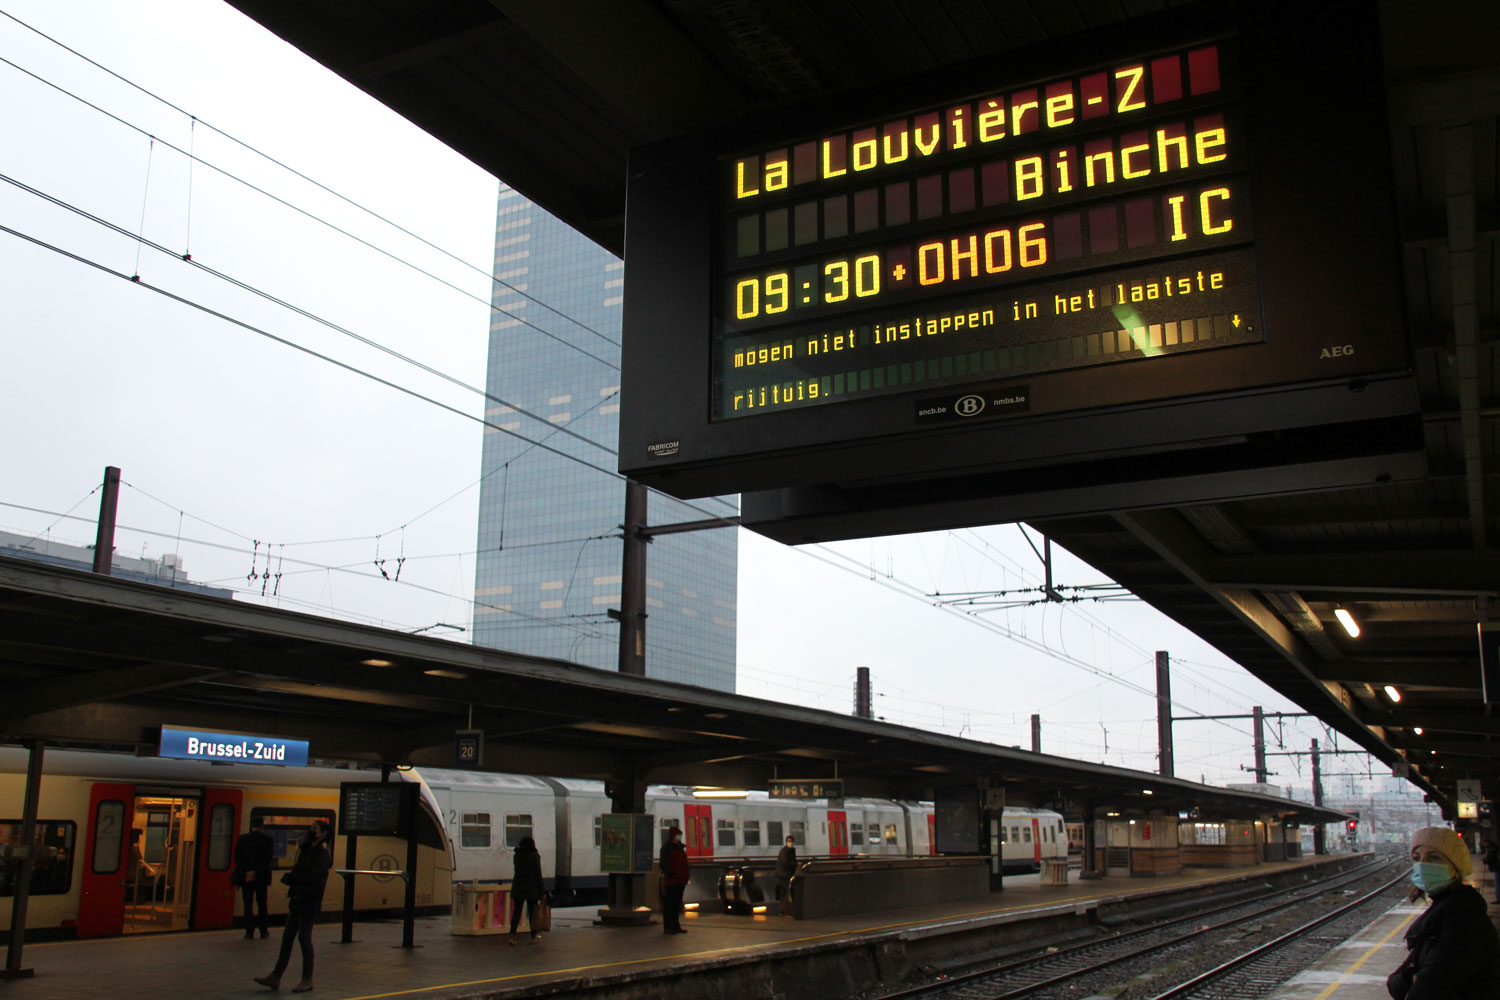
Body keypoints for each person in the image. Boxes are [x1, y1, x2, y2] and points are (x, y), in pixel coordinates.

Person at [1387, 826, 1500, 999]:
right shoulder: (1446, 911)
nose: (1423, 865)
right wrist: (1410, 977)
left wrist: (1411, 976)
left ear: (1456, 867)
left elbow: (1427, 989)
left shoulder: (1464, 920)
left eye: (1434, 857)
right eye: (1417, 858)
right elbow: (1394, 984)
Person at [255, 819, 331, 994]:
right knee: (288, 936)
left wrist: (293, 879)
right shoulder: (307, 850)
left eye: (314, 829)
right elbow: (301, 871)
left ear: (323, 833)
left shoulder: (322, 854)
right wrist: (292, 878)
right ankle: (276, 975)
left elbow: (314, 878)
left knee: (304, 937)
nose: (311, 832)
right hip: (298, 898)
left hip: (309, 900)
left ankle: (307, 978)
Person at [232, 816, 274, 939]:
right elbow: (268, 859)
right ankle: (263, 930)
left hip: (246, 877)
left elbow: (237, 858)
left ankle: (249, 932)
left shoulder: (243, 839)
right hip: (261, 877)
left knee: (248, 904)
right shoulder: (268, 840)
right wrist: (256, 872)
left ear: (252, 826)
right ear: (262, 826)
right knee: (262, 904)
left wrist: (248, 872)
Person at [508, 835, 545, 943]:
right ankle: (534, 935)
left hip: (518, 887)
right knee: (533, 913)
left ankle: (512, 935)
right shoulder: (535, 856)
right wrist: (542, 891)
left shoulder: (517, 856)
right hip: (531, 889)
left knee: (516, 913)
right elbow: (538, 875)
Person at [658, 826, 689, 935]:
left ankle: (675, 925)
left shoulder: (679, 848)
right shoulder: (667, 848)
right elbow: (663, 863)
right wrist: (671, 873)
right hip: (672, 880)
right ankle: (668, 926)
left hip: (680, 880)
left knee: (676, 904)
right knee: (670, 904)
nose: (679, 837)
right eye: (678, 835)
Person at [774, 834, 797, 913]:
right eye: (789, 841)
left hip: (784, 873)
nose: (790, 843)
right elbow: (785, 862)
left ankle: (783, 910)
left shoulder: (789, 850)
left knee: (784, 892)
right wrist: (796, 864)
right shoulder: (785, 851)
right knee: (788, 891)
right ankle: (788, 910)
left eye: (791, 841)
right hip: (784, 874)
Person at [1485, 841, 1500, 905]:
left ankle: (1499, 899)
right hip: (1497, 868)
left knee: (1498, 884)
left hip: (1497, 869)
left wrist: (1485, 860)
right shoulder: (1496, 849)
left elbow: (1490, 859)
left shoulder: (1492, 851)